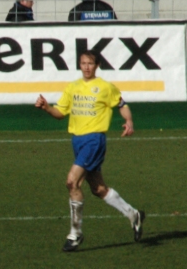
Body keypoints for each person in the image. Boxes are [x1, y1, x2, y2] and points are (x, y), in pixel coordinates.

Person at [34, 50, 145, 252]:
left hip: (94, 140)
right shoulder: (73, 87)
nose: (86, 67)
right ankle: (133, 214)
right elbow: (60, 113)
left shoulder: (104, 87)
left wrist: (128, 120)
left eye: (90, 63)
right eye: (83, 63)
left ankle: (75, 234)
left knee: (72, 181)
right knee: (98, 189)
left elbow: (122, 104)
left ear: (97, 65)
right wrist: (46, 108)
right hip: (77, 141)